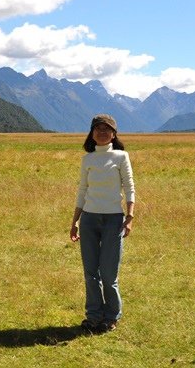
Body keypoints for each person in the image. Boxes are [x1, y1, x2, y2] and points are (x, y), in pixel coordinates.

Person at [70, 114, 135, 333]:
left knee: (108, 274)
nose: (102, 132)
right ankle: (94, 316)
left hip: (113, 220)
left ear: (114, 134)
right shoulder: (87, 159)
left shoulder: (121, 157)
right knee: (90, 273)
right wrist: (75, 221)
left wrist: (130, 217)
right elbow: (82, 190)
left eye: (107, 129)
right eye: (98, 128)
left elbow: (129, 187)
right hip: (88, 219)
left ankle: (111, 316)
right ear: (91, 133)